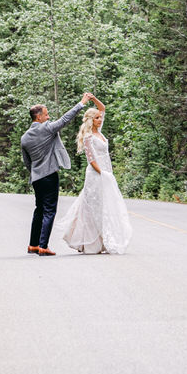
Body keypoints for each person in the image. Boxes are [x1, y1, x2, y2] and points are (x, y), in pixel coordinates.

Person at [21, 92, 93, 255]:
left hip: (36, 177)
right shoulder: (46, 129)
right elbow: (65, 119)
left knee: (39, 209)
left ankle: (33, 245)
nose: (48, 117)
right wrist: (81, 103)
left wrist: (35, 173)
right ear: (38, 117)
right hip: (49, 176)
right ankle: (43, 246)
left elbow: (27, 162)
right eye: (46, 115)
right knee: (49, 210)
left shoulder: (24, 138)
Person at [60, 93, 133, 254]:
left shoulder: (99, 132)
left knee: (106, 204)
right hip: (95, 174)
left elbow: (103, 108)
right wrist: (103, 173)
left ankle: (104, 240)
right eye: (97, 118)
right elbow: (91, 159)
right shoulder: (88, 136)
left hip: (106, 171)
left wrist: (92, 99)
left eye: (100, 118)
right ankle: (89, 242)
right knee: (93, 205)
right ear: (91, 120)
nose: (100, 119)